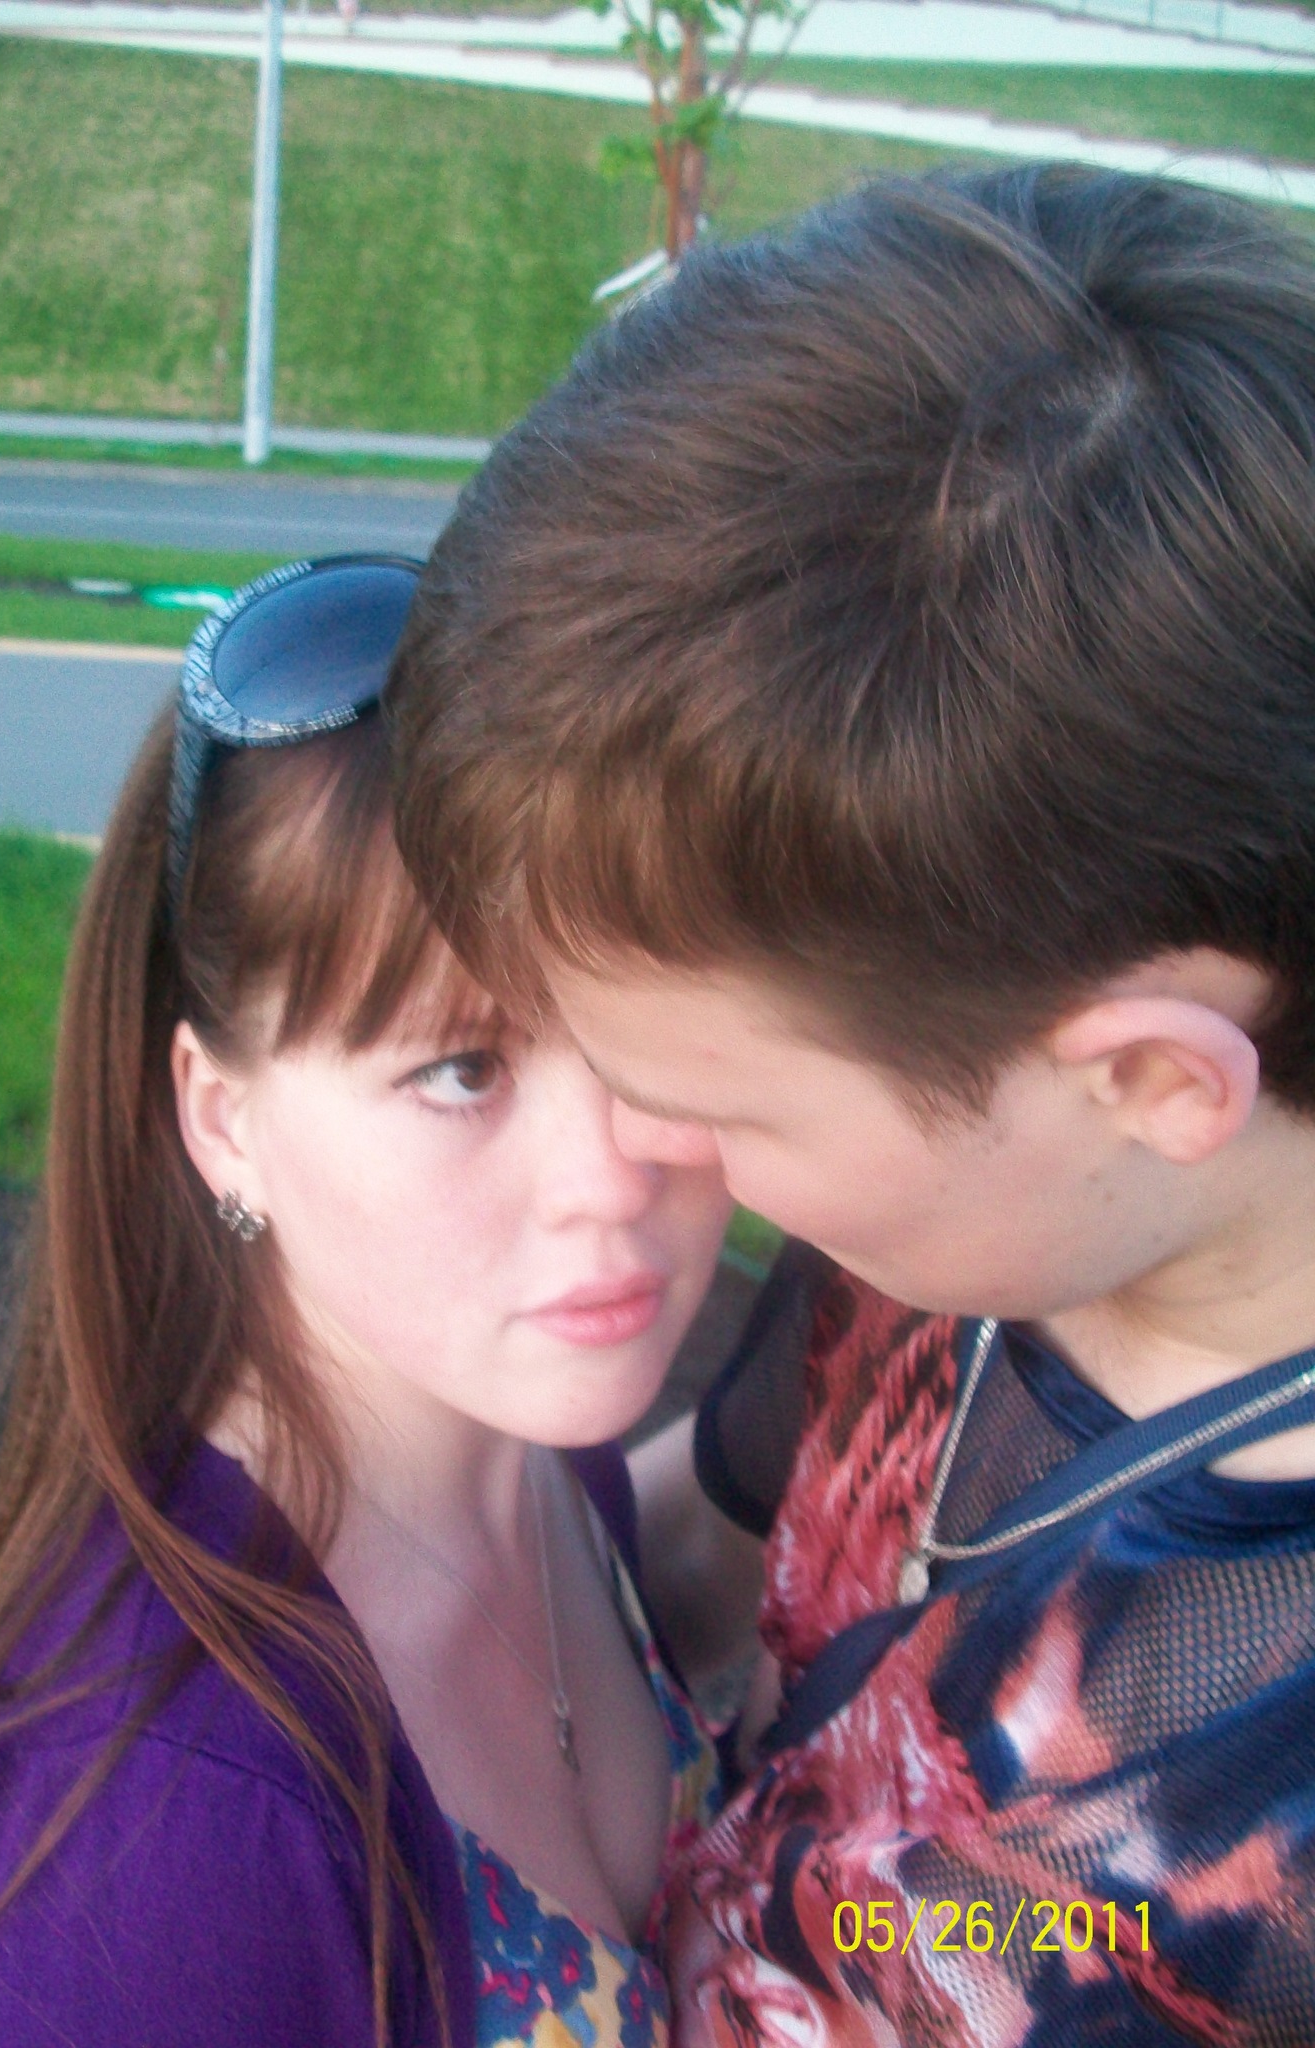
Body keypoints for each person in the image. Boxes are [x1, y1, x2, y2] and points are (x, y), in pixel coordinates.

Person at [384, 166, 1315, 2045]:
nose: (643, 1152)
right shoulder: (959, 1227)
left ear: (1147, 1081)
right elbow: (696, 1553)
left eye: (707, 1106)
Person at [0, 556, 735, 2048]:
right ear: (225, 1121)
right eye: (461, 1070)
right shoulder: (157, 1860)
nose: (615, 1174)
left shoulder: (523, 1440)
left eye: (652, 1043)